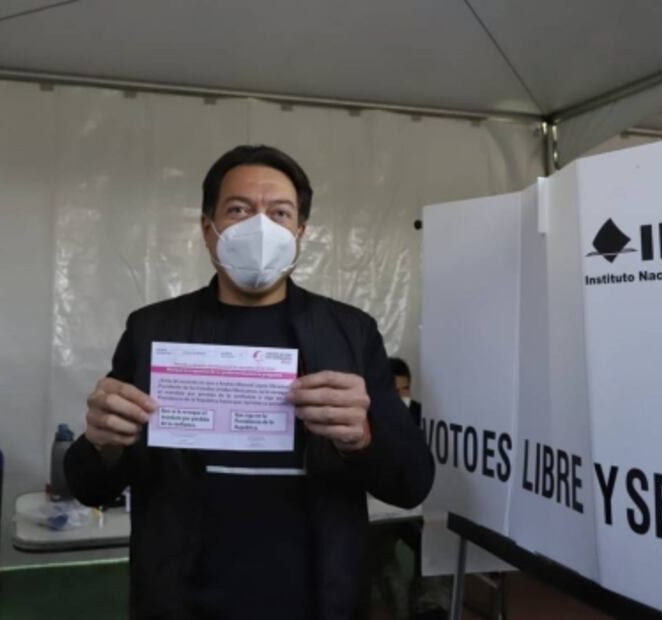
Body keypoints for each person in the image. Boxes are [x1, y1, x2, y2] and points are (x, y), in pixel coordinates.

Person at [64, 145, 435, 620]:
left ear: (300, 234)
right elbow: (90, 485)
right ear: (208, 229)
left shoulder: (350, 333)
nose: (260, 227)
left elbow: (412, 482)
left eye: (280, 213)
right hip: (180, 599)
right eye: (239, 209)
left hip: (320, 599)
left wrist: (362, 438)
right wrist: (103, 444)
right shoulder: (153, 331)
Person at [389, 357, 422, 428]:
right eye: (396, 391)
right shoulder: (371, 418)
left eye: (405, 389)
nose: (402, 395)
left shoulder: (420, 414)